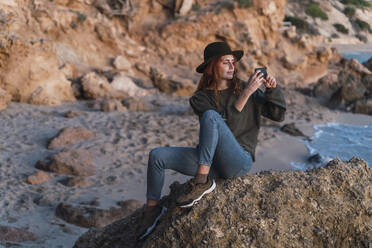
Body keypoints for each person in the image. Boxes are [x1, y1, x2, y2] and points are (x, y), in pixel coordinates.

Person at [137, 41, 286, 240]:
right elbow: (222, 123)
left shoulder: (243, 88)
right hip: (209, 160)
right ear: (211, 66)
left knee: (210, 117)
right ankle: (151, 211)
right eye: (226, 62)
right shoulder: (200, 97)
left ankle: (201, 182)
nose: (232, 66)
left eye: (233, 62)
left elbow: (277, 115)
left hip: (238, 160)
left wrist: (272, 90)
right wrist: (246, 94)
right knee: (156, 156)